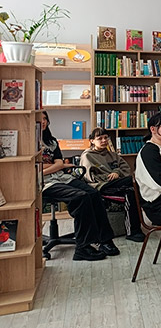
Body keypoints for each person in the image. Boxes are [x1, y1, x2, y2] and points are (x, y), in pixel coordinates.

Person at [40, 111, 119, 261]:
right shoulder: (30, 142)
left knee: (94, 194)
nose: (43, 121)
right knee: (81, 197)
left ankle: (105, 240)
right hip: (44, 183)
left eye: (45, 119)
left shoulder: (51, 142)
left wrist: (52, 167)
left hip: (62, 177)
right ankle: (83, 248)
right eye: (40, 119)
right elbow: (36, 168)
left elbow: (59, 163)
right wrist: (55, 166)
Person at [80, 127, 144, 242]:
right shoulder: (87, 156)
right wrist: (109, 177)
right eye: (100, 138)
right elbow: (90, 178)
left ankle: (133, 231)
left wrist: (117, 172)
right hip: (101, 186)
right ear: (92, 141)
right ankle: (137, 227)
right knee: (134, 181)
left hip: (117, 184)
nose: (104, 140)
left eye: (106, 138)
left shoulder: (113, 155)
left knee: (131, 192)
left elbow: (125, 168)